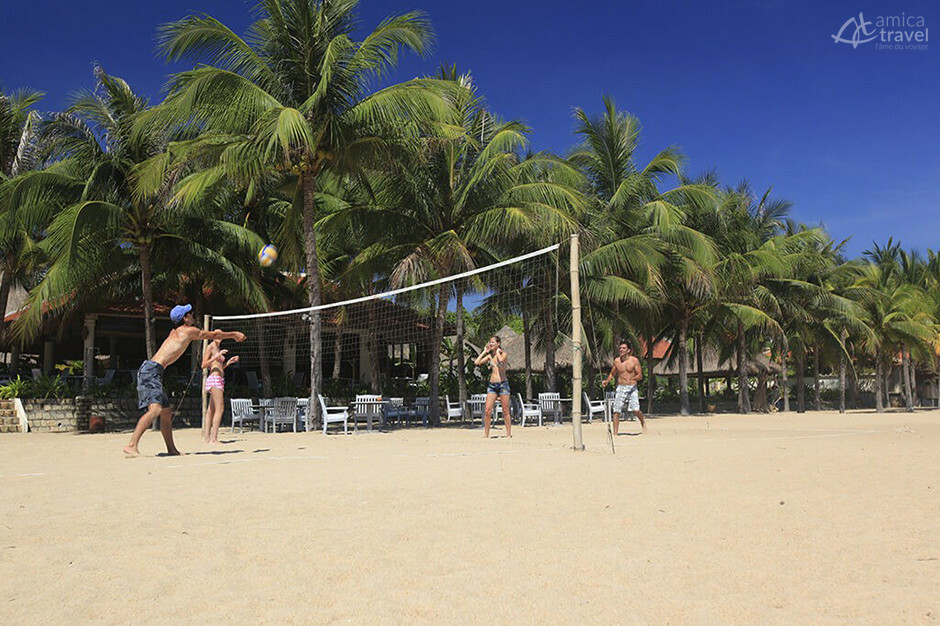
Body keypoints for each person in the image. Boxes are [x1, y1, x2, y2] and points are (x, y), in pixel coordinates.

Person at [123, 304, 246, 456]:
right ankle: (132, 445)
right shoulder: (188, 331)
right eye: (191, 314)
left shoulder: (175, 331)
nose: (193, 316)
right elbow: (213, 335)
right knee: (155, 409)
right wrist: (234, 334)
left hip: (154, 371)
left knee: (166, 412)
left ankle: (172, 450)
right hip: (151, 371)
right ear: (185, 318)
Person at [602, 342, 647, 435]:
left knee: (635, 410)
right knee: (616, 410)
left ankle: (643, 422)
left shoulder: (634, 361)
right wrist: (607, 381)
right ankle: (615, 433)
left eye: (623, 348)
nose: (621, 350)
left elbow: (640, 376)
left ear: (628, 350)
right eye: (620, 348)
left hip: (632, 387)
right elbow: (612, 373)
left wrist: (632, 378)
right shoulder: (617, 361)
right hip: (621, 387)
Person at [201, 339, 239, 444]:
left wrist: (228, 362)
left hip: (219, 379)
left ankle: (207, 438)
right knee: (220, 409)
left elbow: (218, 367)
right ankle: (214, 438)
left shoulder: (217, 347)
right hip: (214, 379)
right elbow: (203, 364)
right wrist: (216, 356)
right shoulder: (211, 346)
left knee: (211, 410)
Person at [474, 336, 512, 439]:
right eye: (490, 342)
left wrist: (498, 352)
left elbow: (500, 362)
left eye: (493, 342)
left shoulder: (503, 354)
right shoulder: (490, 356)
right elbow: (477, 362)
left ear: (498, 343)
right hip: (492, 386)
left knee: (505, 410)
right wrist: (484, 352)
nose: (490, 344)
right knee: (487, 410)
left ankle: (508, 434)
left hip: (503, 384)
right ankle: (486, 435)